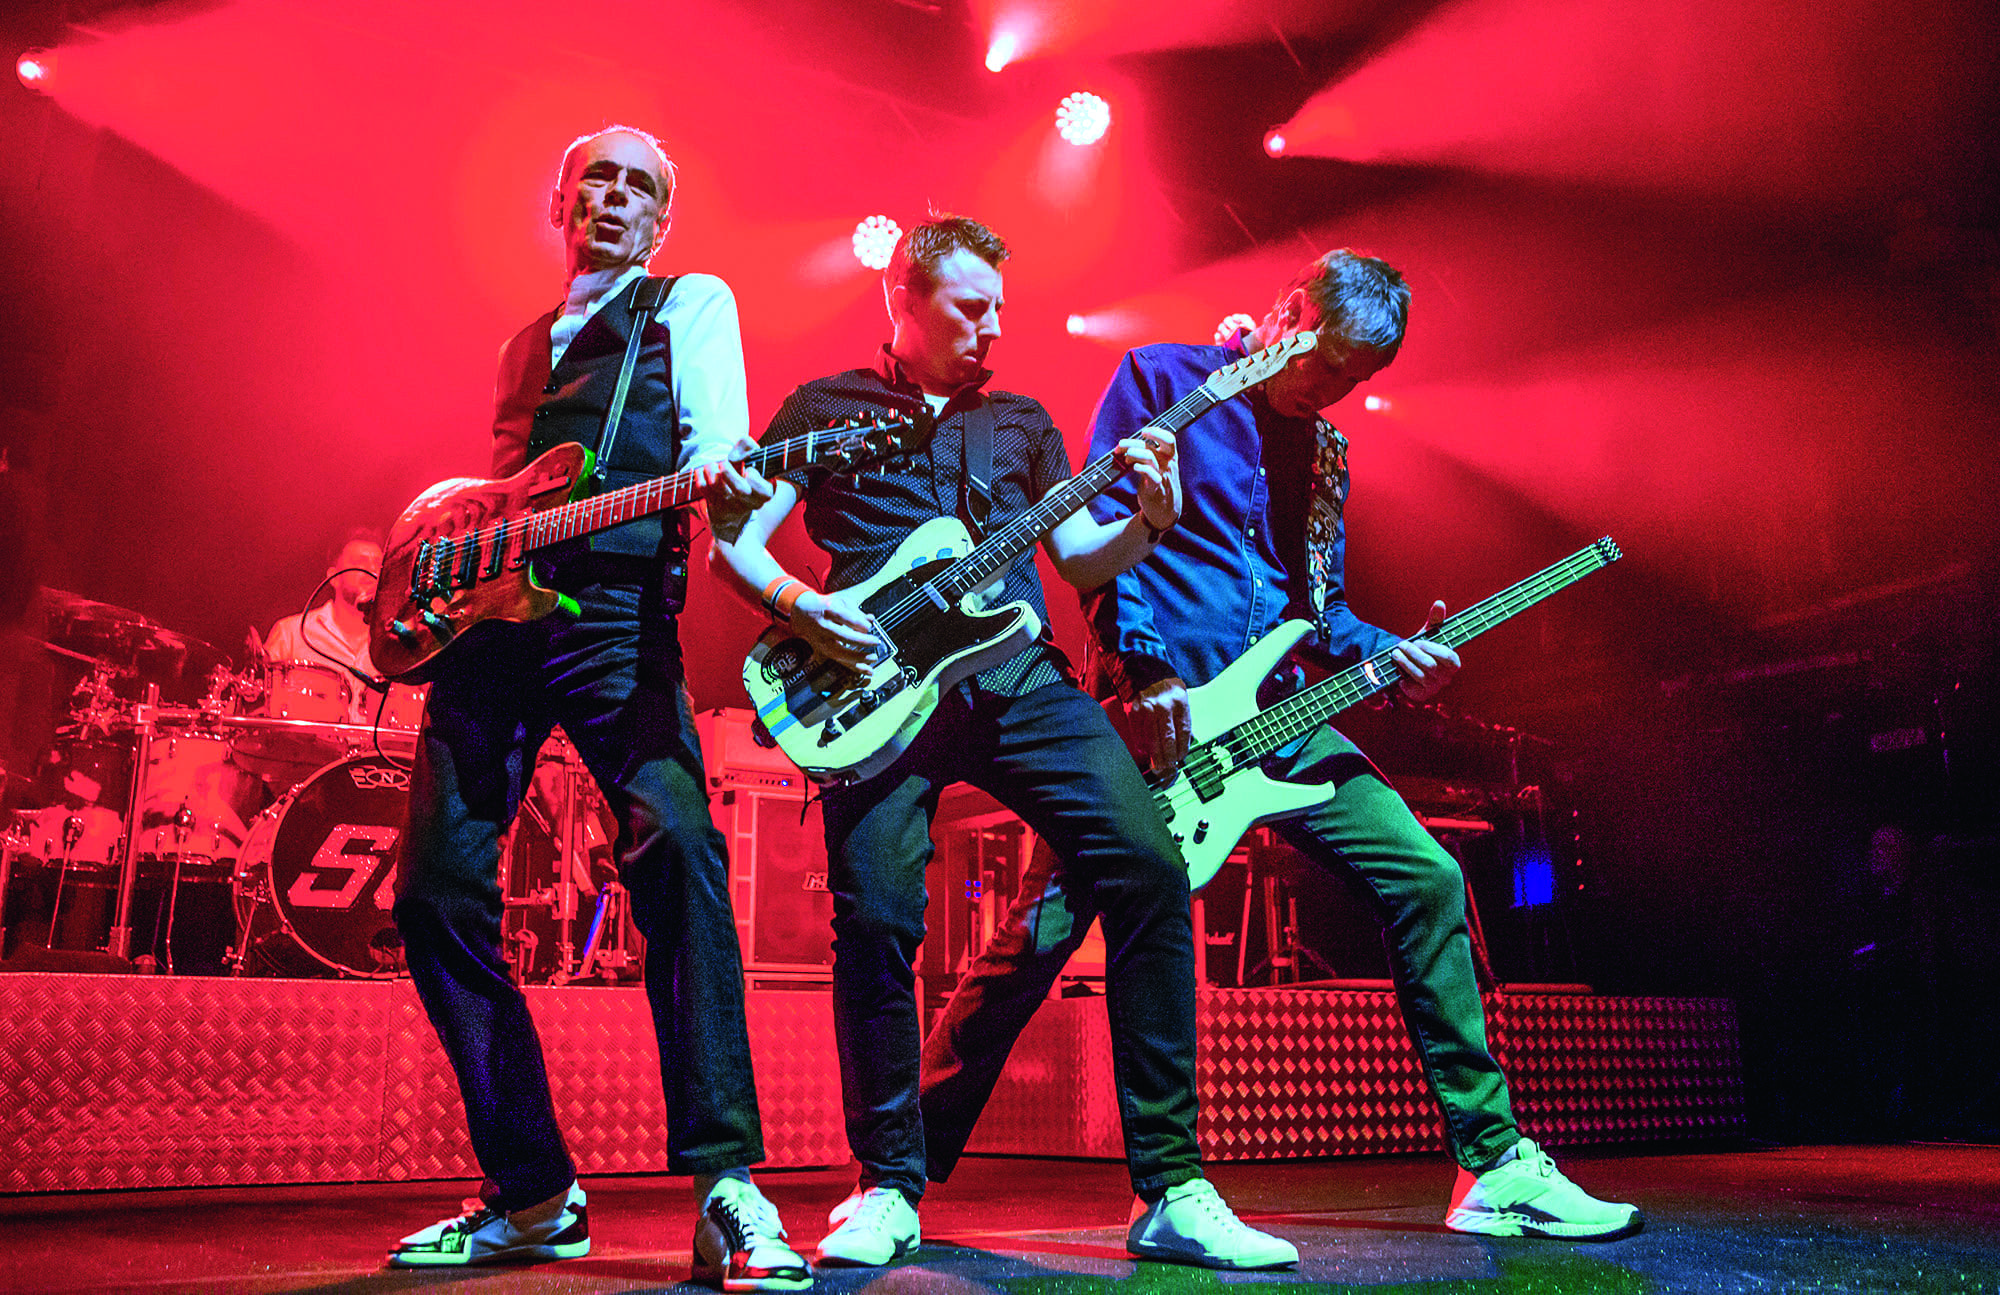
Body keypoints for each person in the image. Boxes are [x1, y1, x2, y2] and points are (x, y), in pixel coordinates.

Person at [919, 249, 1644, 1242]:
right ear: (1290, 311)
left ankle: (1493, 1163)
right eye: (1328, 362)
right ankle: (899, 1165)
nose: (1332, 388)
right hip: (1159, 711)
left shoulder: (1327, 450)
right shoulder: (1162, 378)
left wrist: (1394, 653)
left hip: (1282, 719)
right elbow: (1100, 539)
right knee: (1039, 940)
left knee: (1427, 876)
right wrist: (1143, 672)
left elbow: (1320, 609)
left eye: (1356, 378)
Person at [710, 215, 1298, 1271]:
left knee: (1148, 864)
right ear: (902, 296)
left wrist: (1146, 521)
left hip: (1017, 675)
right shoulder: (822, 407)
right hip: (871, 686)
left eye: (999, 309)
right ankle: (886, 1184)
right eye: (969, 306)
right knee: (877, 918)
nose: (990, 328)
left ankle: (1170, 1186)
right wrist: (799, 603)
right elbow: (733, 545)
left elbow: (1078, 560)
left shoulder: (1022, 422)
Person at [385, 125, 810, 1289]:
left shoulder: (689, 303)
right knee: (431, 890)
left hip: (613, 616)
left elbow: (718, 444)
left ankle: (725, 1184)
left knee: (676, 845)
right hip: (491, 623)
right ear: (560, 202)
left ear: (660, 220)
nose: (614, 198)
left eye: (639, 187)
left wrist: (731, 479)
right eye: (597, 179)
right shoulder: (519, 344)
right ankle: (530, 1191)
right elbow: (491, 490)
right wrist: (441, 564)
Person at [263, 529, 384, 723]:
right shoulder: (291, 633)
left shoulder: (396, 641)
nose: (371, 569)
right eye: (360, 562)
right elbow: (262, 707)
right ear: (334, 577)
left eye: (378, 563)